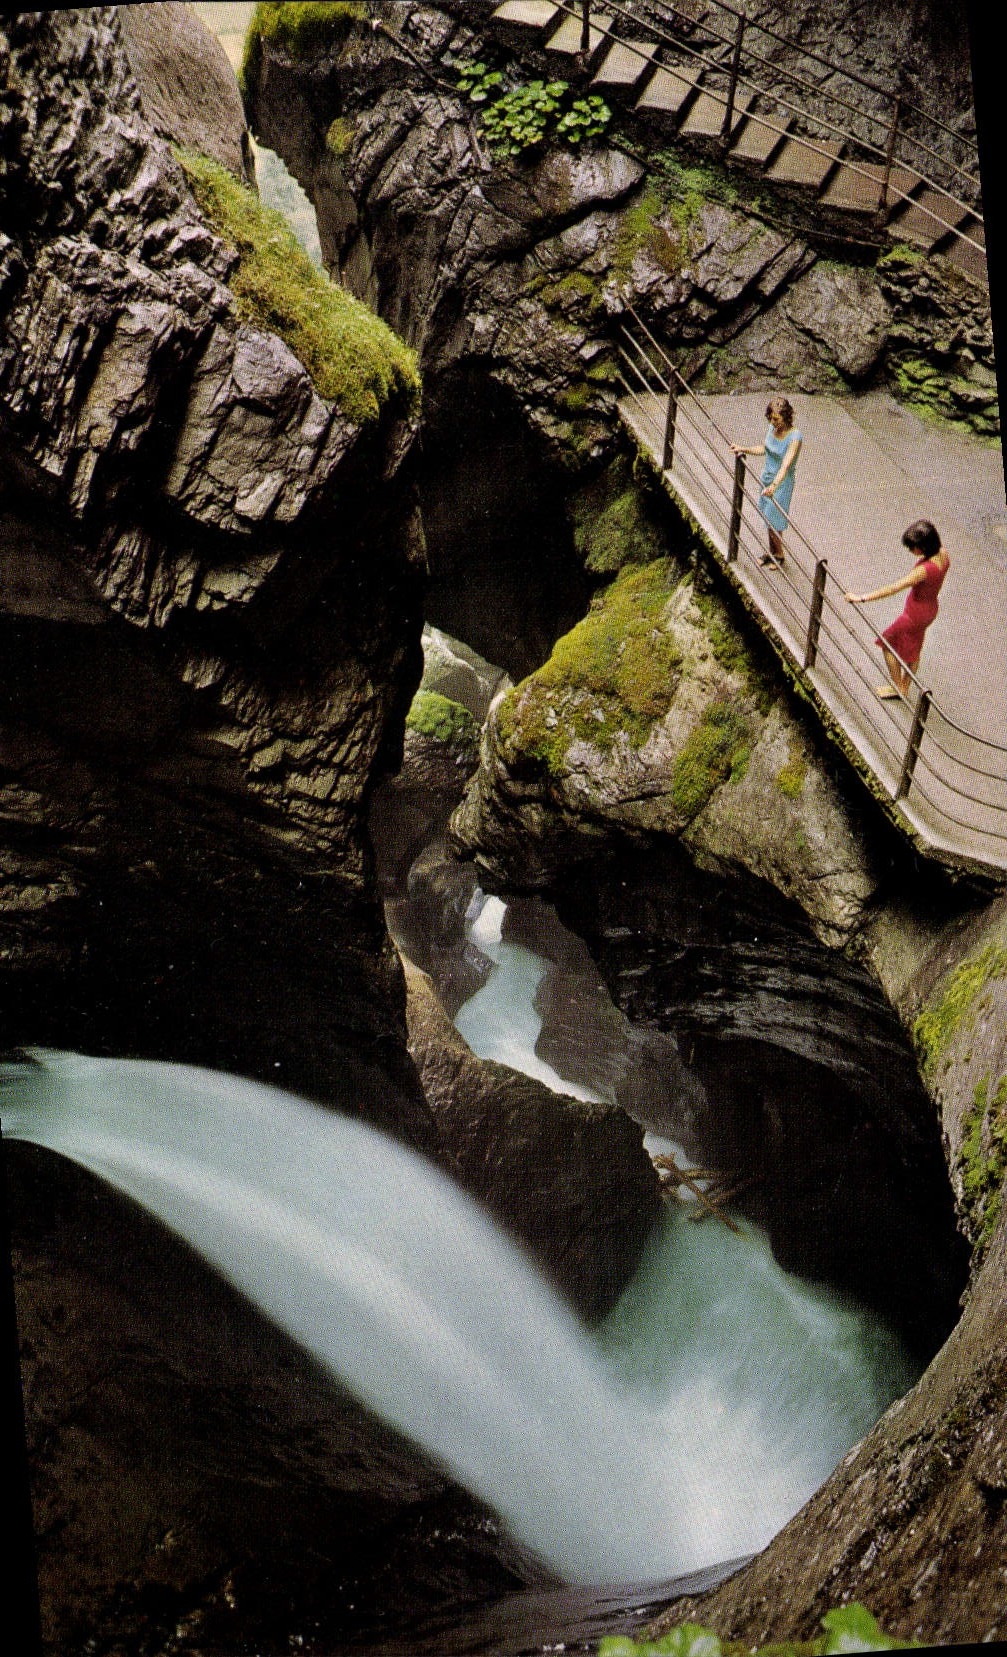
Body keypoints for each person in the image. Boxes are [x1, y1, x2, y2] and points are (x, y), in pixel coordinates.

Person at [845, 519, 950, 699]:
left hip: (914, 614)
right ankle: (905, 685)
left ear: (923, 547)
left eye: (913, 547)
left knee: (887, 643)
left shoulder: (923, 570)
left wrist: (861, 598)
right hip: (930, 609)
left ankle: (897, 687)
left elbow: (894, 588)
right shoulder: (943, 554)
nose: (911, 551)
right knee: (915, 649)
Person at [731, 396, 802, 569]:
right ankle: (772, 552)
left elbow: (786, 465)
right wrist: (743, 448)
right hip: (767, 477)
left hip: (781, 482)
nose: (773, 422)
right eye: (771, 418)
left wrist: (774, 486)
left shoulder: (795, 437)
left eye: (776, 419)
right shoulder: (771, 428)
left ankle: (779, 555)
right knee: (767, 516)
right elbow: (765, 448)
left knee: (774, 518)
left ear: (786, 416)